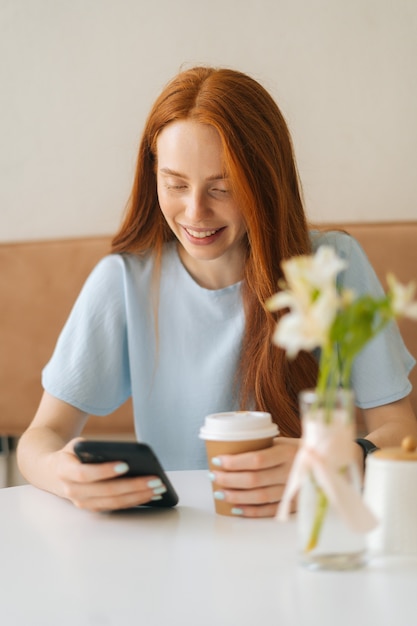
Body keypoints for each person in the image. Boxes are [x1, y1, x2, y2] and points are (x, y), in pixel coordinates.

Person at [17, 66, 417, 516]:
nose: (195, 211)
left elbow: (402, 431)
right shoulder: (124, 282)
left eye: (222, 188)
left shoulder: (331, 268)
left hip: (304, 530)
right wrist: (65, 475)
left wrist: (342, 459)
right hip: (180, 540)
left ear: (263, 182)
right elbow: (39, 439)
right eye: (175, 184)